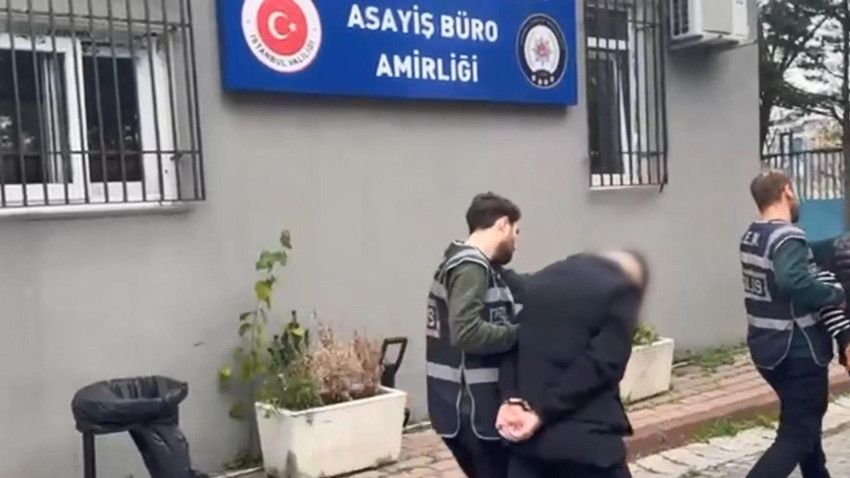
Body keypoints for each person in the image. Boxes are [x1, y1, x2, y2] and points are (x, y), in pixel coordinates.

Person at [495, 250, 650, 478]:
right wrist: (541, 412)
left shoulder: (539, 281)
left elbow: (509, 344)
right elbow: (604, 363)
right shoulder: (621, 290)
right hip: (586, 445)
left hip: (528, 447)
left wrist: (510, 400)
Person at [739, 170, 848, 478]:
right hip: (797, 351)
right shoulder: (788, 237)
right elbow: (793, 281)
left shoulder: (752, 236)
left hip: (767, 350)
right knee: (797, 436)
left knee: (805, 427)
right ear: (786, 191)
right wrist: (834, 292)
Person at [425, 192, 523, 478]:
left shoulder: (464, 263)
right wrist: (521, 335)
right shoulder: (470, 267)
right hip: (473, 411)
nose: (516, 242)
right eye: (516, 232)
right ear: (502, 224)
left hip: (458, 407)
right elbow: (467, 333)